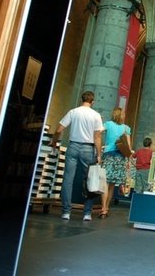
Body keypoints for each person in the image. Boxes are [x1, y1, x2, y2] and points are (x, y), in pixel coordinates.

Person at [50, 90, 104, 221]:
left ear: (82, 99)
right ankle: (87, 213)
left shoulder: (73, 112)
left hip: (73, 146)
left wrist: (54, 142)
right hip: (88, 148)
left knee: (68, 179)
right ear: (93, 101)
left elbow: (59, 129)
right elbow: (97, 136)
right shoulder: (96, 115)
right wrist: (99, 154)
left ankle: (66, 212)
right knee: (90, 180)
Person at [99, 107, 131, 218]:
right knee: (112, 185)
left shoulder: (108, 124)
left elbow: (99, 131)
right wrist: (128, 161)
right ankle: (107, 207)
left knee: (105, 183)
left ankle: (103, 209)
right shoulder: (126, 128)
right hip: (120, 157)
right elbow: (128, 147)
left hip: (108, 155)